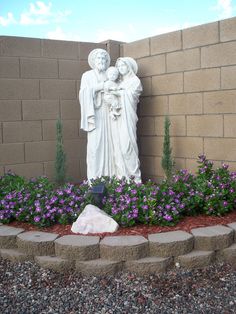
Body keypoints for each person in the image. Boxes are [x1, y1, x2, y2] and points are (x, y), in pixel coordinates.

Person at [79, 48, 114, 180]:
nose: (101, 61)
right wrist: (100, 87)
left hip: (109, 115)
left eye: (104, 59)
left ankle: (110, 177)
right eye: (99, 58)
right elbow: (83, 93)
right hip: (95, 115)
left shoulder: (110, 74)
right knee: (95, 146)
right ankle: (94, 179)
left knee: (110, 146)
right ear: (94, 61)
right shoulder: (87, 75)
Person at [112, 57, 143, 182]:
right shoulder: (117, 82)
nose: (121, 69)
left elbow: (133, 96)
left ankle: (134, 178)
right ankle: (122, 178)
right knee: (118, 148)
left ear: (129, 66)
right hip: (117, 118)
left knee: (128, 146)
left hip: (127, 117)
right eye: (118, 67)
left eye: (123, 66)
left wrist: (119, 93)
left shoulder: (135, 80)